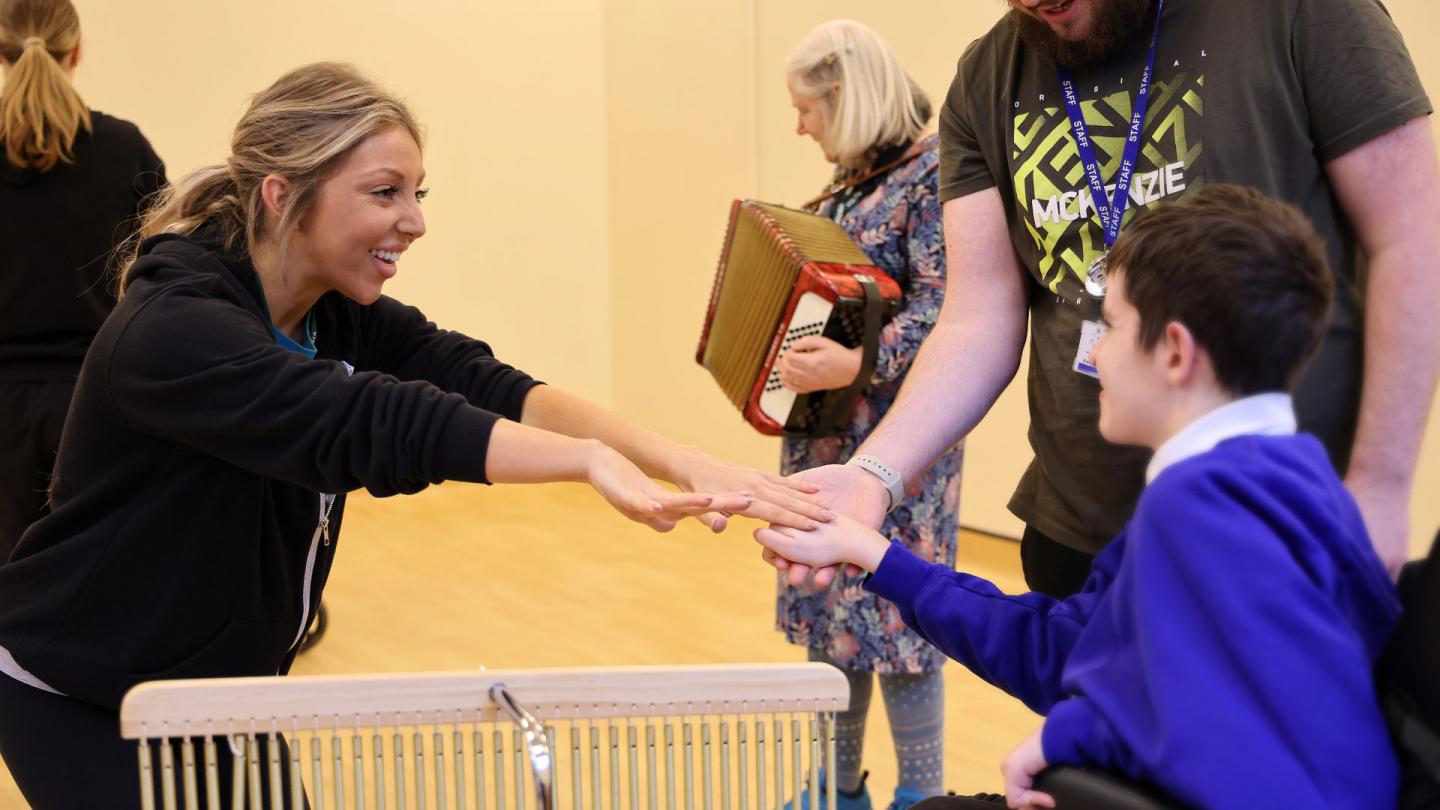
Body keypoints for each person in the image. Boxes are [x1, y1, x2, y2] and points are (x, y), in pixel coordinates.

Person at [0, 62, 828, 809]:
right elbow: (377, 422)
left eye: (417, 194)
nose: (414, 222)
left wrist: (679, 457)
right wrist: (586, 464)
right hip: (81, 692)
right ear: (284, 195)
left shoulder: (328, 312)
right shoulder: (176, 330)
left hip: (220, 695)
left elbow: (481, 382)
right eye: (384, 192)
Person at [757, 185, 1402, 809]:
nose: (1091, 353)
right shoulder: (1305, 486)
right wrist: (877, 554)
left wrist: (1068, 736)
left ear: (1175, 352)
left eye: (1111, 325)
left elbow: (1183, 708)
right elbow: (1069, 653)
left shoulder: (1196, 504)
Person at [779, 0, 1440, 599]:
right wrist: (872, 474)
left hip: (1280, 525)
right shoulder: (986, 76)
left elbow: (1412, 242)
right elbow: (977, 316)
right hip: (1082, 535)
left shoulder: (1300, 14)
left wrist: (1380, 487)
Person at [773, 20, 962, 810]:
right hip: (824, 438)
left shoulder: (933, 175)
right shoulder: (847, 184)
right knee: (831, 626)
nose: (799, 125)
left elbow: (953, 307)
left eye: (806, 107)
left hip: (899, 442)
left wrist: (860, 361)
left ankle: (922, 795)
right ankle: (836, 787)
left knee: (902, 629)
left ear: (843, 94)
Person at [0, 0, 165, 558]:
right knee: (92, 585)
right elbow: (167, 266)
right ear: (77, 52)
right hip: (98, 404)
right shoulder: (124, 149)